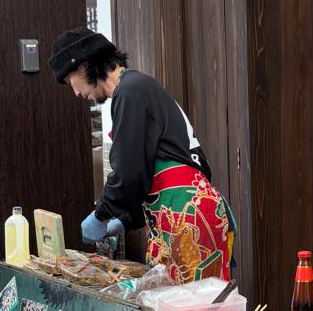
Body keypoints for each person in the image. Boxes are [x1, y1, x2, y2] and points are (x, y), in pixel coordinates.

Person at [49, 28, 235, 281]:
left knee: (192, 302)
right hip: (185, 210)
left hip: (186, 216)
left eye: (70, 81)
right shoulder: (135, 88)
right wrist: (125, 221)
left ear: (83, 66)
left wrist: (100, 214)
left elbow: (129, 173)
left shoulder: (130, 92)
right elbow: (144, 168)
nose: (76, 93)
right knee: (190, 299)